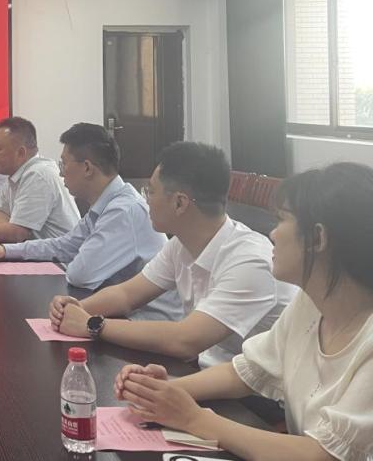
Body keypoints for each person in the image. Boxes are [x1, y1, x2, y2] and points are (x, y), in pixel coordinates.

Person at [114, 162, 373, 461]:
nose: (273, 233)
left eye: (282, 220)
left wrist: (193, 419)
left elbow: (322, 455)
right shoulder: (311, 304)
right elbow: (247, 371)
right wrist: (162, 391)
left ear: (317, 238)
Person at [50, 141, 294, 367]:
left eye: (150, 192)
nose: (146, 200)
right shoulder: (181, 244)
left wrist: (92, 325)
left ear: (179, 203)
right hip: (210, 370)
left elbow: (185, 340)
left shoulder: (250, 262)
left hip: (254, 393)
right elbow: (126, 295)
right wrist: (74, 309)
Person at [0, 123, 173, 300]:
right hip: (114, 307)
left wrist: (75, 258)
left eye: (64, 163)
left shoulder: (123, 211)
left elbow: (80, 275)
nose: (61, 172)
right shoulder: (104, 204)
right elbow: (64, 245)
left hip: (142, 320)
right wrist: (6, 251)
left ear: (87, 168)